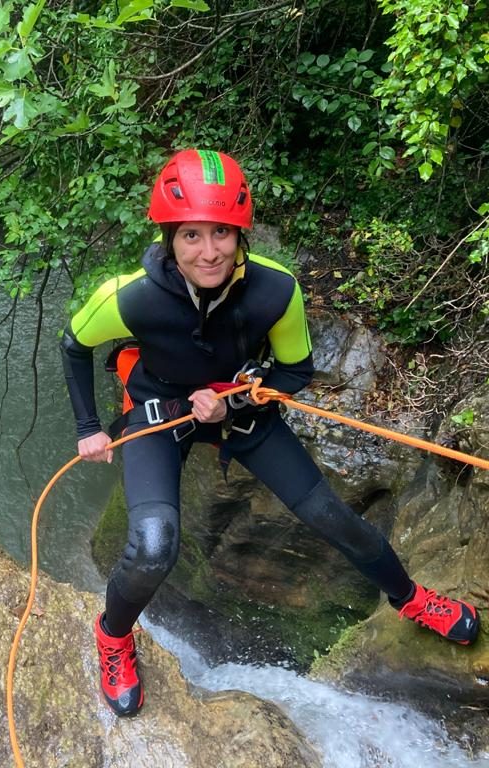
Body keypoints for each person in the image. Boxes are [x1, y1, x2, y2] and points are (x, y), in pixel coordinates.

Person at [60, 149, 480, 717]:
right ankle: (113, 636)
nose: (208, 251)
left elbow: (295, 370)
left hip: (242, 413)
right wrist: (89, 427)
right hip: (161, 414)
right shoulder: (128, 298)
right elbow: (75, 345)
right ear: (167, 238)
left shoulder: (275, 291)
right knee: (155, 545)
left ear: (241, 235)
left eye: (221, 234)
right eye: (190, 236)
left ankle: (410, 599)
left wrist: (239, 393)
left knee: (334, 518)